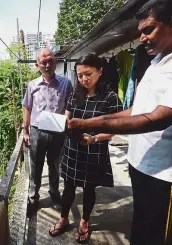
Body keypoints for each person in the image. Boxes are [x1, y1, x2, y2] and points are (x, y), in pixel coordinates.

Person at [67, 1, 172, 244]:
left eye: (149, 30)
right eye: (141, 32)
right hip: (140, 165)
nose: (143, 38)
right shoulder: (156, 63)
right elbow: (136, 110)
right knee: (142, 225)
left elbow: (158, 118)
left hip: (163, 175)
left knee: (157, 234)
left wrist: (88, 127)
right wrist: (88, 121)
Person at [48, 54, 123, 242]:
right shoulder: (75, 94)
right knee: (68, 188)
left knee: (89, 189)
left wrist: (96, 138)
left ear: (100, 70)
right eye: (80, 75)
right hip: (73, 149)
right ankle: (64, 218)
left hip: (94, 150)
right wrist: (61, 124)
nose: (84, 79)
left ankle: (84, 221)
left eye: (88, 74)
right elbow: (67, 117)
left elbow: (116, 128)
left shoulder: (110, 97)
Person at [22, 48, 72, 217]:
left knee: (55, 166)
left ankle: (54, 196)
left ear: (55, 62)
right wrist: (25, 131)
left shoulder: (66, 83)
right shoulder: (32, 85)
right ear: (38, 65)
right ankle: (33, 198)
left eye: (50, 61)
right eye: (43, 62)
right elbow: (27, 107)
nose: (47, 64)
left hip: (58, 131)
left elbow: (70, 106)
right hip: (37, 131)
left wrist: (66, 124)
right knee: (35, 167)